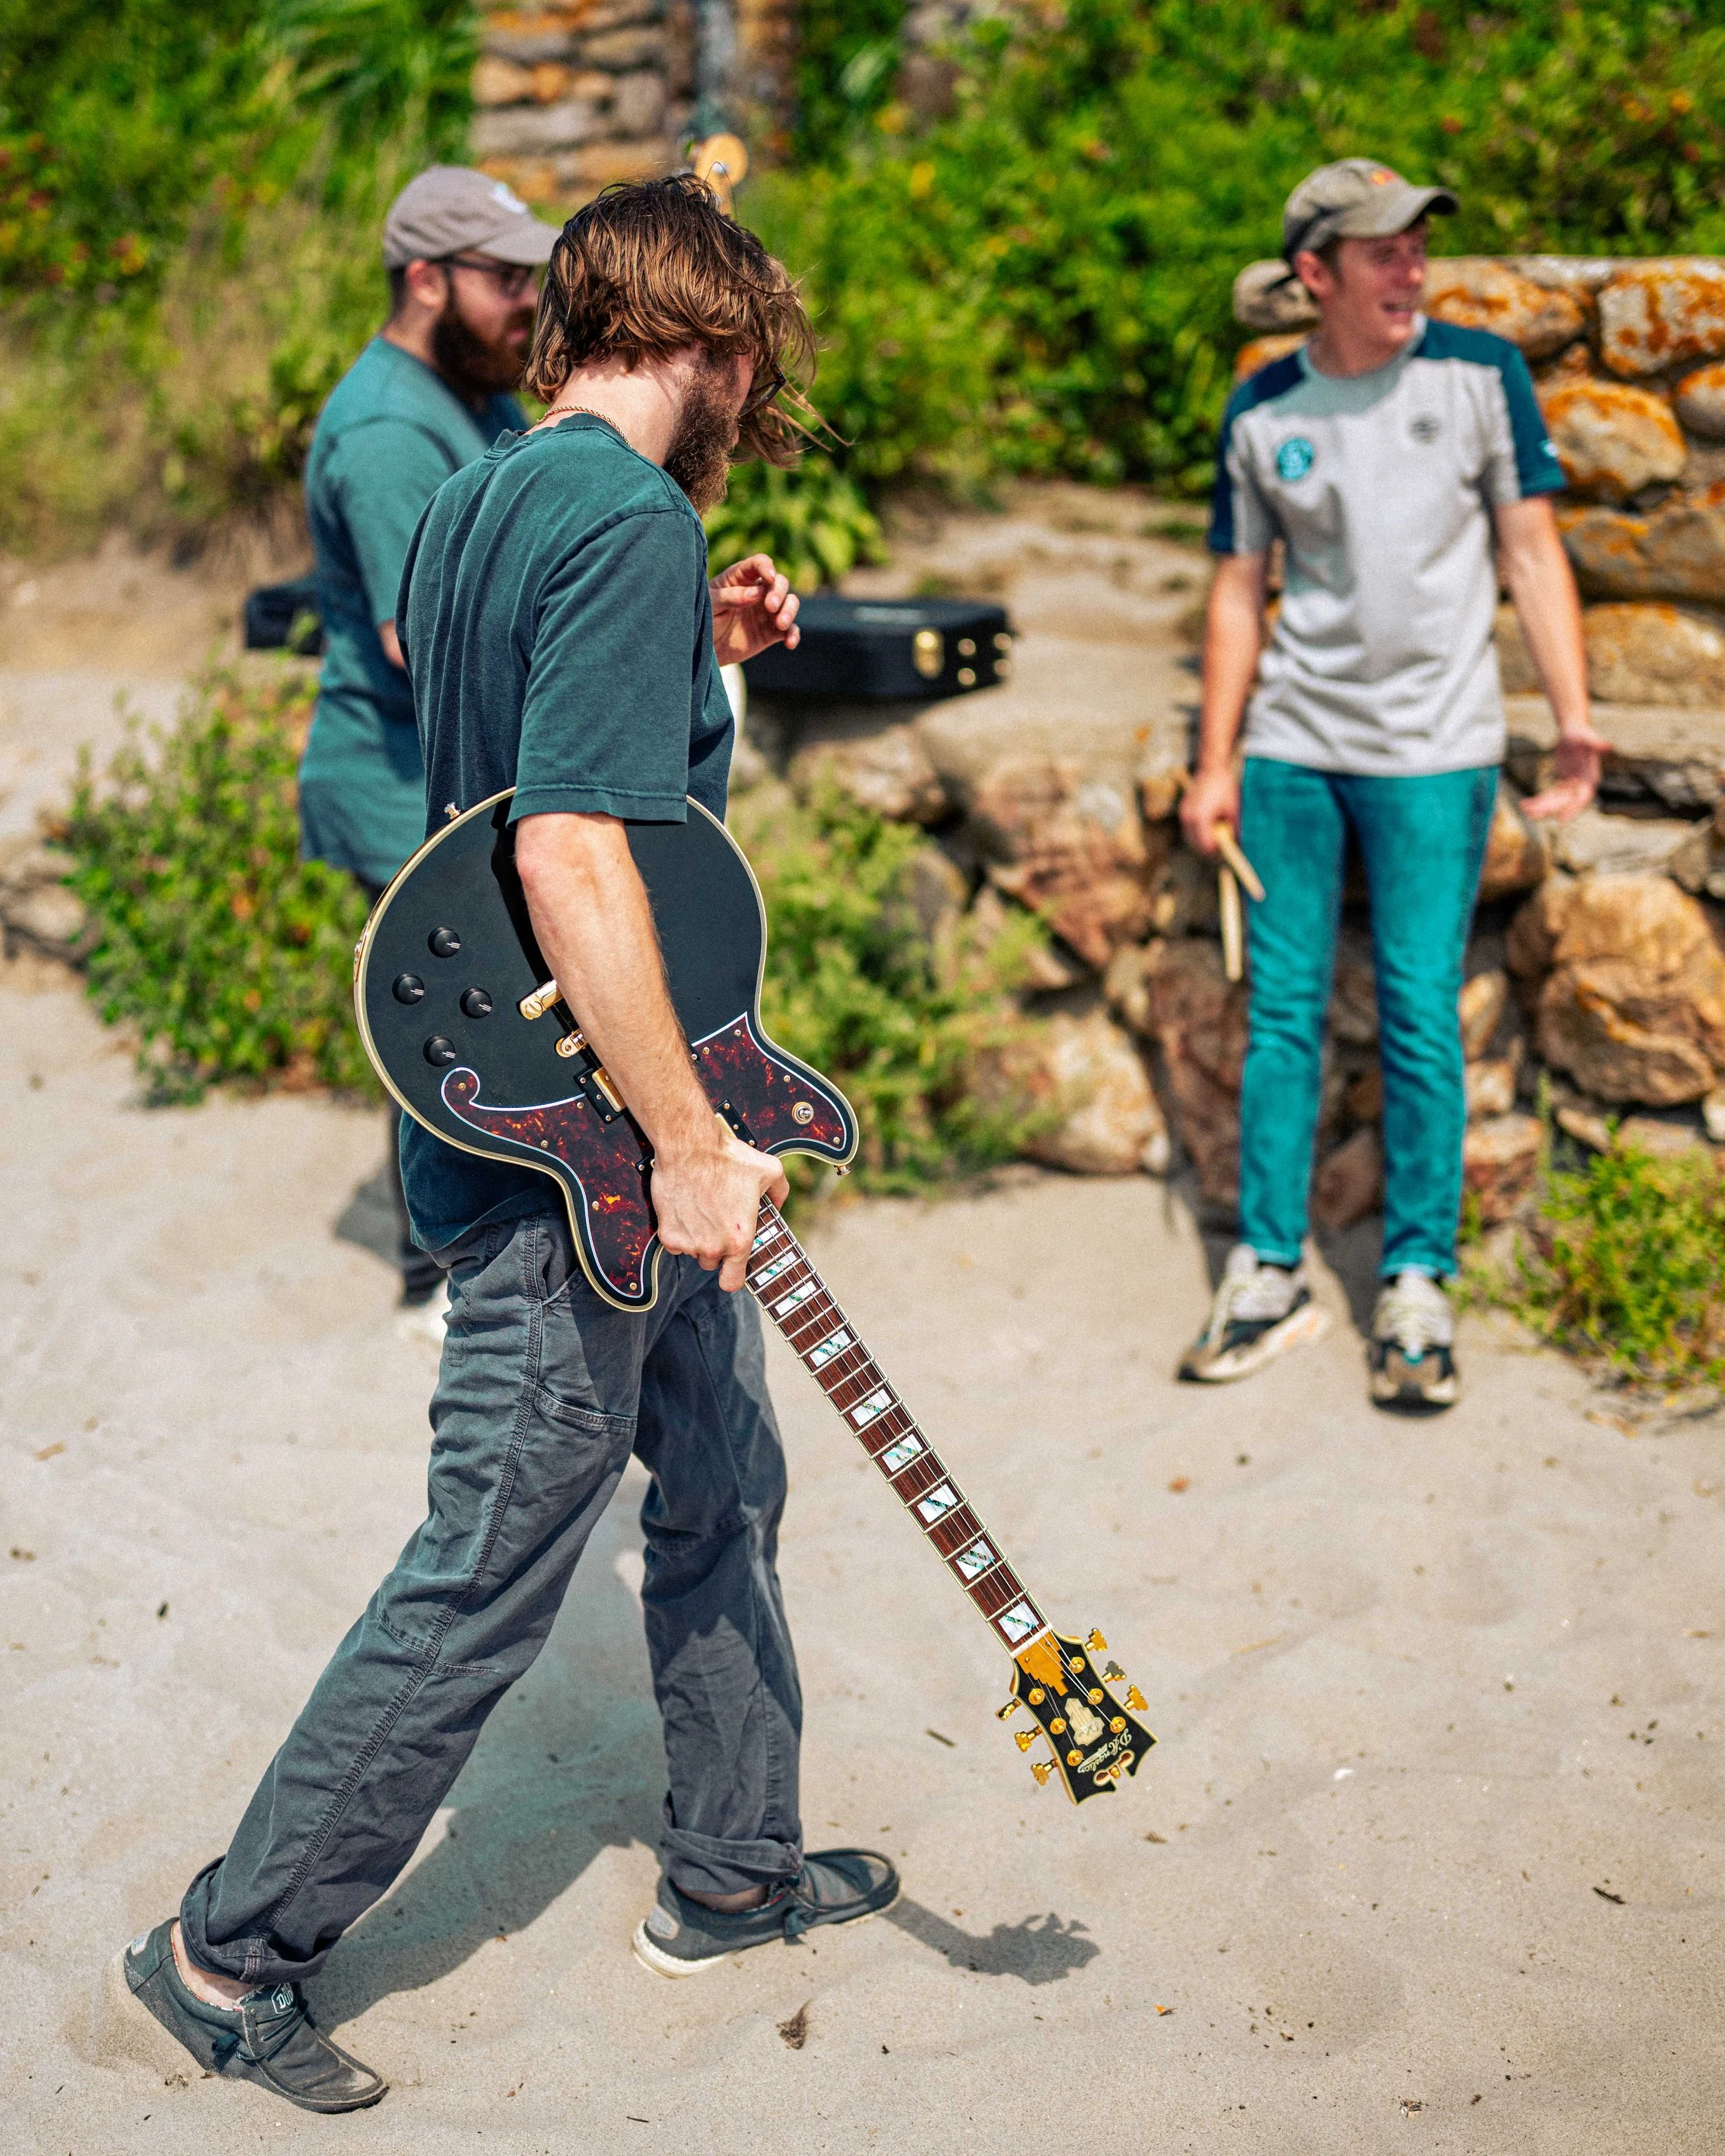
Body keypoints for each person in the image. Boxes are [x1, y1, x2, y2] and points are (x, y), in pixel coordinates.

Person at [111, 176, 898, 2116]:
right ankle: (232, 1945)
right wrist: (694, 1137)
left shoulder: (491, 489)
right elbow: (561, 842)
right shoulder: (626, 512)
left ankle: (729, 1861)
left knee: (716, 1470)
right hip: (586, 1139)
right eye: (749, 364)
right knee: (493, 1548)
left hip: (540, 1096)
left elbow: (509, 699)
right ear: (709, 345)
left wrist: (697, 628)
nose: (750, 397)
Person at [1177, 158, 1606, 1411]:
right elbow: (1235, 593)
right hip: (1294, 750)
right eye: (1383, 250)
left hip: (1439, 750)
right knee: (1284, 1013)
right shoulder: (1263, 408)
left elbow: (1532, 550)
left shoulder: (1482, 377)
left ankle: (1418, 1282)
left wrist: (1575, 722)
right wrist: (1214, 766)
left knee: (1422, 1011)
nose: (1412, 267)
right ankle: (1268, 1272)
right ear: (1316, 273)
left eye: (1420, 245)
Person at [298, 165, 560, 1325]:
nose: (528, 301)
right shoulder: (391, 431)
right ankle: (441, 1276)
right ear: (424, 279)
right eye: (505, 278)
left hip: (446, 781)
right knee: (448, 1026)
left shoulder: (475, 394)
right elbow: (429, 645)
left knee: (469, 1018)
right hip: (394, 780)